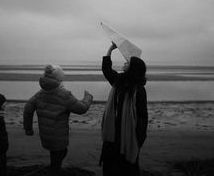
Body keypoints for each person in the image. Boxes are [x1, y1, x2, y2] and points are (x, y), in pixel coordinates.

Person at [24, 64, 93, 175]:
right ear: (59, 79)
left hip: (46, 134)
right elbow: (82, 109)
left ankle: (54, 167)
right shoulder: (64, 95)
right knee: (61, 152)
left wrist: (28, 129)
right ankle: (54, 170)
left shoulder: (40, 93)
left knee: (55, 153)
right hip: (58, 136)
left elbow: (28, 108)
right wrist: (88, 97)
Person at [99, 43, 148, 176]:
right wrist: (110, 49)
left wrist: (138, 139)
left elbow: (143, 116)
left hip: (129, 137)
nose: (125, 64)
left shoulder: (139, 90)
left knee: (128, 169)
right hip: (112, 136)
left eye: (127, 63)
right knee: (110, 169)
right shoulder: (118, 81)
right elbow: (106, 69)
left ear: (132, 69)